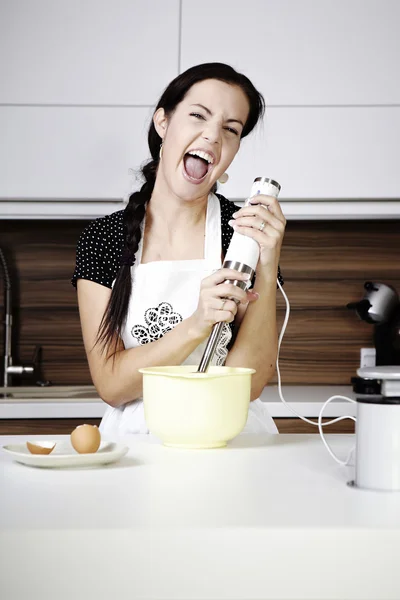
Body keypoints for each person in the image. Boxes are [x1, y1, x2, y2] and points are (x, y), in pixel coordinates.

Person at [71, 62, 286, 436]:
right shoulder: (105, 238)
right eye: (198, 116)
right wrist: (196, 325)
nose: (212, 137)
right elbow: (111, 384)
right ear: (163, 123)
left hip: (230, 436)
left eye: (230, 130)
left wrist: (268, 262)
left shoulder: (242, 233)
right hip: (137, 443)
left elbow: (249, 384)